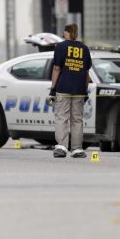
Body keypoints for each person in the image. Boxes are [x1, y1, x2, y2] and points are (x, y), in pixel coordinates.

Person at [49, 23, 92, 158]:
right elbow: (86, 72)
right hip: (79, 88)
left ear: (66, 32)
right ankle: (77, 149)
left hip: (63, 87)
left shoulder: (61, 47)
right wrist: (85, 90)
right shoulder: (84, 49)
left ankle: (61, 147)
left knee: (62, 117)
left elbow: (57, 68)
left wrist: (52, 88)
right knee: (77, 119)